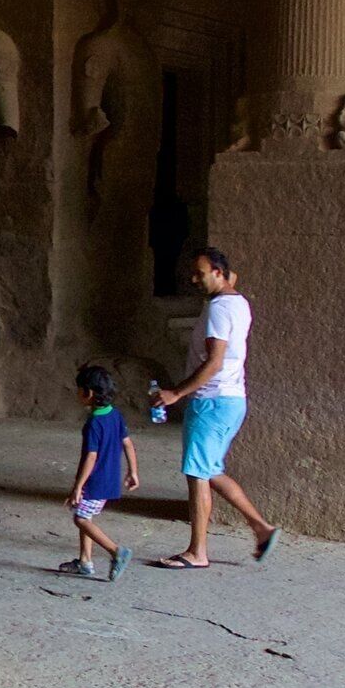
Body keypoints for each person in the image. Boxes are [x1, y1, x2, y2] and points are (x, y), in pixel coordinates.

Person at [146, 248, 277, 568]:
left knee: (197, 475)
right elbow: (232, 278)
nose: (194, 279)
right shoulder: (238, 302)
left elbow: (214, 362)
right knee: (210, 470)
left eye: (200, 273)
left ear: (218, 273)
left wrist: (176, 393)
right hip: (232, 400)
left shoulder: (219, 309)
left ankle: (197, 552)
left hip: (211, 401)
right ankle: (261, 528)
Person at [56, 361, 135, 581]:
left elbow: (91, 457)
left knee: (81, 519)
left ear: (88, 393)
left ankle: (116, 551)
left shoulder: (93, 423)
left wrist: (78, 486)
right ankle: (85, 562)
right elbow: (128, 444)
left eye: (79, 389)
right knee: (86, 516)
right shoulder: (115, 415)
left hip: (95, 481)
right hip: (110, 479)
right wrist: (133, 471)